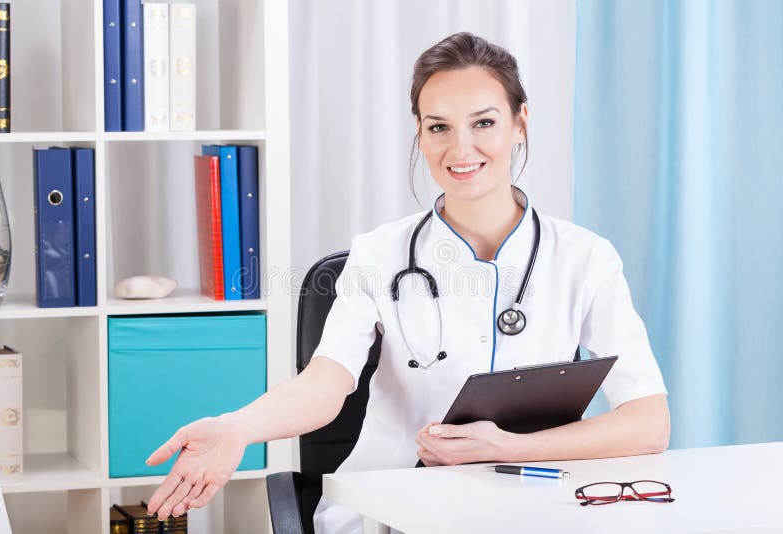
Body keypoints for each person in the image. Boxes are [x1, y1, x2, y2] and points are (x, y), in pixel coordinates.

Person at [145, 32, 670, 532]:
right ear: (419, 131)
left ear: (520, 123)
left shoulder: (585, 258)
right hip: (391, 506)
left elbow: (649, 423)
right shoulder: (380, 254)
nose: (460, 149)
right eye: (438, 127)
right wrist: (240, 427)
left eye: (483, 123)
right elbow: (327, 382)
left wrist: (507, 447)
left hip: (529, 501)